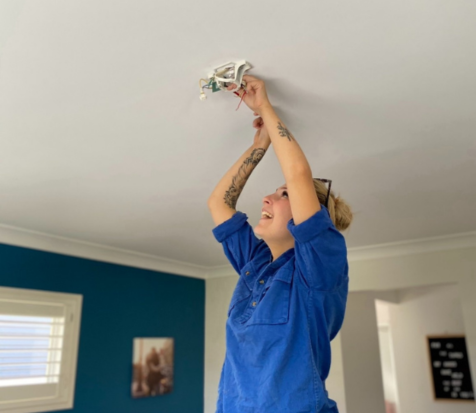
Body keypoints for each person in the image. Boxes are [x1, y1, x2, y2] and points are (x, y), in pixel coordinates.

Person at [207, 74, 353, 413]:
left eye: (283, 194)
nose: (268, 197)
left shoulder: (320, 267)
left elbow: (298, 176)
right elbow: (219, 205)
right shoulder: (254, 265)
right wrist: (260, 145)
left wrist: (265, 108)